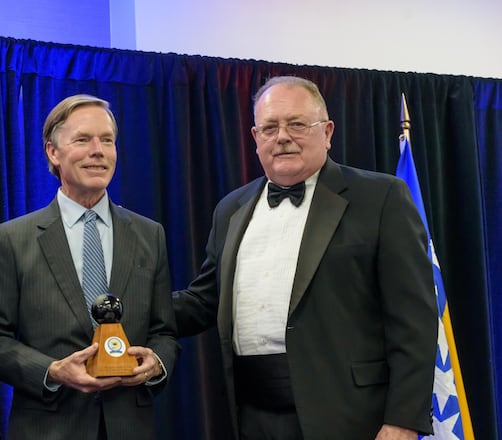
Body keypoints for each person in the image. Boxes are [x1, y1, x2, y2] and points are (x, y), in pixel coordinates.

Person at [174, 76, 438, 440]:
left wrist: (404, 420)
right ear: (255, 138)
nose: (282, 136)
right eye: (270, 127)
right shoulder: (230, 209)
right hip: (251, 417)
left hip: (351, 417)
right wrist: (127, 312)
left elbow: (415, 320)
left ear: (327, 132)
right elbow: (204, 300)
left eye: (297, 124)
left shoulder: (381, 198)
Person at [0, 94, 179, 440]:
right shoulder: (12, 239)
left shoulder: (149, 234)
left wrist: (157, 362)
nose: (98, 150)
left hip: (130, 426)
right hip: (48, 427)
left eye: (107, 140)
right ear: (53, 152)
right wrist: (52, 370)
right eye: (83, 139)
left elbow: (165, 332)